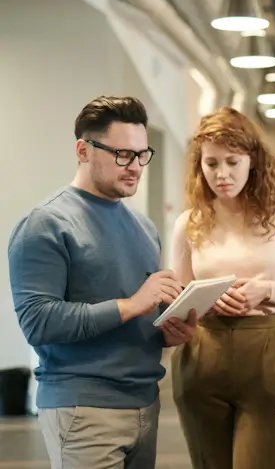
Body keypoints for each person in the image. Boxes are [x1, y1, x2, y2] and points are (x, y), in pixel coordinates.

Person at [8, 96, 194, 469]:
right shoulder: (46, 224)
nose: (136, 167)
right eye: (123, 155)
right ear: (83, 149)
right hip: (83, 409)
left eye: (143, 155)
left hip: (145, 402)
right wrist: (133, 304)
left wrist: (167, 331)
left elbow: (133, 319)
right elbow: (38, 323)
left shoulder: (143, 227)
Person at [169, 107, 275, 469]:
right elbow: (176, 298)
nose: (222, 174)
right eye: (212, 163)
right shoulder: (189, 222)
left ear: (253, 160)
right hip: (202, 354)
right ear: (199, 166)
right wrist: (204, 300)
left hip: (267, 355)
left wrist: (267, 291)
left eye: (232, 162)